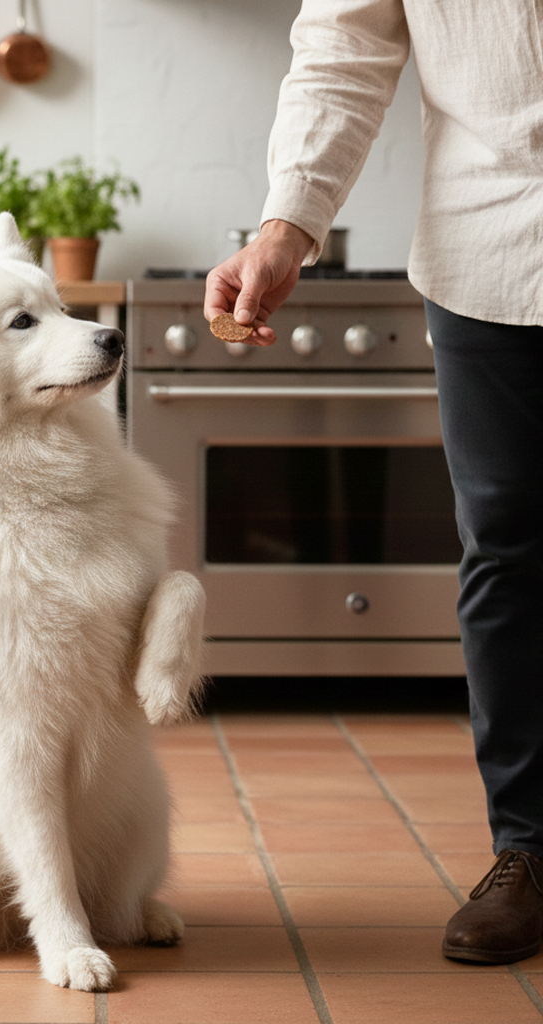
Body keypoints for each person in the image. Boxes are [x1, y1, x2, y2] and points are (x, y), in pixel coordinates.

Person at [204, 0, 543, 965]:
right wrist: (286, 228)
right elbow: (342, 51)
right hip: (490, 249)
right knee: (507, 551)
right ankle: (530, 851)